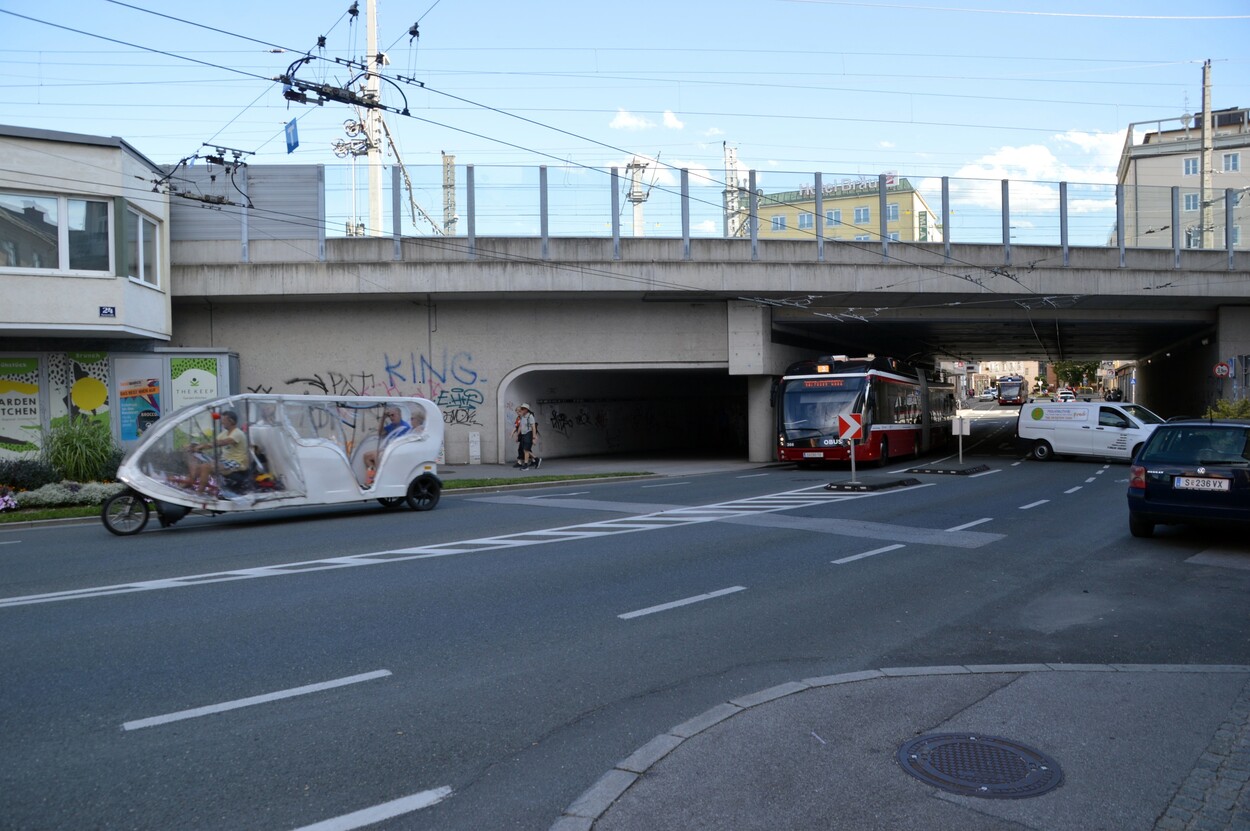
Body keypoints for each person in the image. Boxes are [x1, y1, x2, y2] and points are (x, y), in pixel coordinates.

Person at [186, 410, 248, 495]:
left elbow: (222, 442)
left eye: (224, 420)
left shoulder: (237, 433)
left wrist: (201, 447)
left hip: (236, 463)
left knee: (206, 467)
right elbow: (212, 443)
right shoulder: (225, 433)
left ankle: (199, 493)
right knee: (197, 468)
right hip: (225, 461)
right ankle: (185, 486)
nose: (222, 422)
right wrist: (195, 447)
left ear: (231, 421)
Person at [363, 404, 412, 485]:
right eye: (389, 416)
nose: (391, 418)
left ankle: (378, 479)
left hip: (396, 451)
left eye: (393, 415)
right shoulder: (392, 426)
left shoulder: (405, 427)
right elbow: (380, 433)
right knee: (366, 456)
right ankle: (370, 479)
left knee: (376, 456)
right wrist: (383, 419)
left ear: (399, 415)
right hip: (388, 449)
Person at [514, 403, 541, 470]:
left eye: (522, 409)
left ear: (526, 410)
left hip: (528, 434)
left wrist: (534, 437)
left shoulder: (530, 416)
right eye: (521, 408)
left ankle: (526, 466)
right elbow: (520, 426)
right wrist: (517, 435)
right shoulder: (523, 416)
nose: (521, 410)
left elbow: (533, 427)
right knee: (525, 449)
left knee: (526, 450)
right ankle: (536, 459)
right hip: (523, 434)